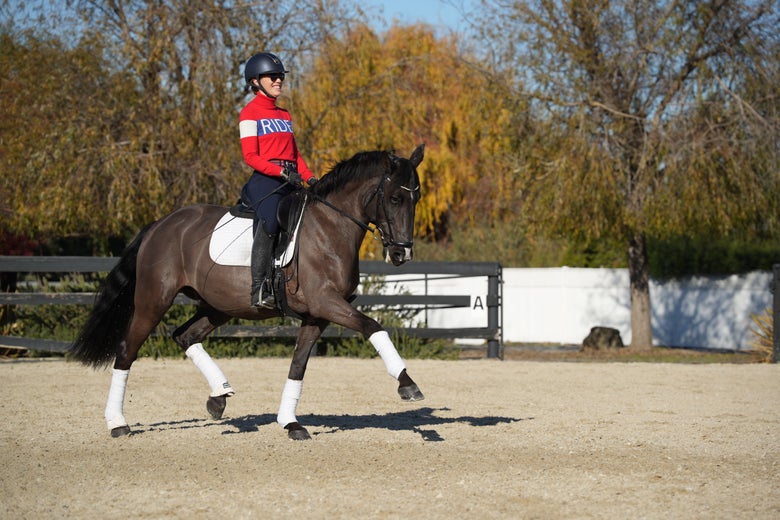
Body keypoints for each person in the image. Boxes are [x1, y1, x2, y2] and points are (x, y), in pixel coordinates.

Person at [239, 52, 318, 308]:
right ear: (255, 81)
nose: (278, 80)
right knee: (271, 221)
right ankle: (259, 289)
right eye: (272, 76)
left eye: (280, 76)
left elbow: (295, 155)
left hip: (292, 177)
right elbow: (250, 156)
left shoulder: (284, 115)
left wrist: (310, 178)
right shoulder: (249, 113)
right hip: (266, 180)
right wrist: (281, 173)